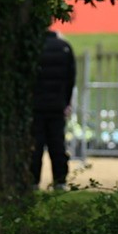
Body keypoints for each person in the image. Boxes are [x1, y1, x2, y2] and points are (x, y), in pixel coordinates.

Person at [31, 30, 76, 191]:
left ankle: (33, 180)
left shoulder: (34, 47)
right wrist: (66, 102)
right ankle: (60, 180)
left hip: (36, 106)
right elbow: (71, 78)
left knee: (36, 145)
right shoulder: (65, 47)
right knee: (57, 144)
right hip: (57, 105)